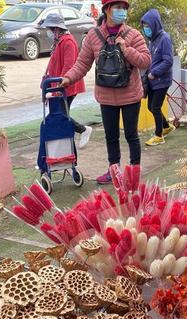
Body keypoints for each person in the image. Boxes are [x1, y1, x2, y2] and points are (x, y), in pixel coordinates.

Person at [59, 0, 150, 184]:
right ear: (107, 10)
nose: (122, 11)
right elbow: (82, 63)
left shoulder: (133, 34)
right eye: (118, 8)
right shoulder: (93, 36)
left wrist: (126, 48)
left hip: (130, 95)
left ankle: (134, 173)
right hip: (106, 97)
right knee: (111, 137)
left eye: (124, 8)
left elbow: (145, 61)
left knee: (131, 135)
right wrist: (68, 78)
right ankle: (113, 171)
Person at [41, 13, 92, 149]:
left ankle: (82, 130)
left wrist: (59, 87)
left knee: (61, 115)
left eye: (50, 29)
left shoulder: (68, 42)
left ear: (57, 29)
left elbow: (69, 66)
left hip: (66, 86)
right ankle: (67, 141)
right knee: (59, 114)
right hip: (58, 85)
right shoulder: (58, 42)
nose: (49, 32)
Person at [141, 9, 175, 146]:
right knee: (151, 106)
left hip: (161, 80)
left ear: (154, 24)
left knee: (155, 107)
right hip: (153, 81)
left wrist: (154, 72)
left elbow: (168, 61)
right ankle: (167, 126)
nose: (146, 29)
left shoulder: (164, 38)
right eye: (144, 27)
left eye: (148, 26)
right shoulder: (152, 40)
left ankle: (158, 135)